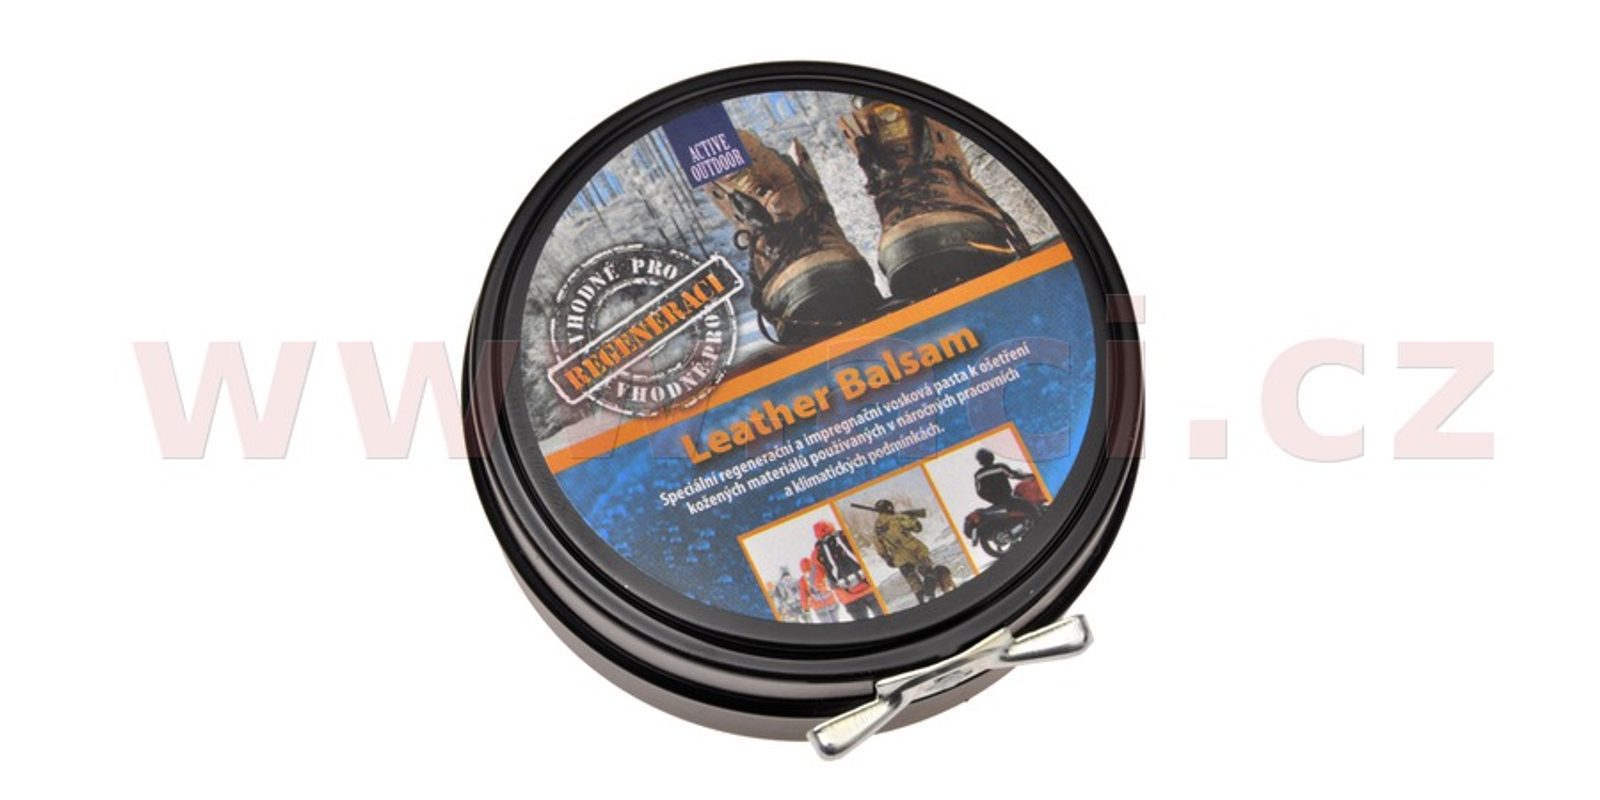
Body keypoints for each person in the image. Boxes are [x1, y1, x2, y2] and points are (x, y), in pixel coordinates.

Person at [869, 500, 951, 604]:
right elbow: (918, 528)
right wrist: (911, 517)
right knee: (929, 573)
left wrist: (887, 558)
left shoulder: (876, 528)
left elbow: (879, 547)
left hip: (899, 558)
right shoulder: (898, 518)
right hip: (915, 551)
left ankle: (925, 605)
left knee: (914, 583)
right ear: (889, 507)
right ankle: (930, 594)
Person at [810, 520, 880, 621]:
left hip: (847, 596)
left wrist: (827, 588)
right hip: (868, 587)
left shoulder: (817, 553)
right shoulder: (845, 536)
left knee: (864, 626)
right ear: (831, 527)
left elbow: (817, 582)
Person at [973, 448, 1036, 516]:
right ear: (991, 456)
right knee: (1031, 507)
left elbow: (979, 492)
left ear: (980, 461)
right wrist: (1032, 476)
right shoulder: (1000, 467)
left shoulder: (978, 474)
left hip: (996, 502)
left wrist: (992, 499)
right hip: (1007, 498)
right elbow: (1014, 475)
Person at [797, 556, 839, 624]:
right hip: (831, 601)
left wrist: (806, 609)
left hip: (819, 607)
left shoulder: (802, 580)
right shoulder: (818, 570)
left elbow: (803, 596)